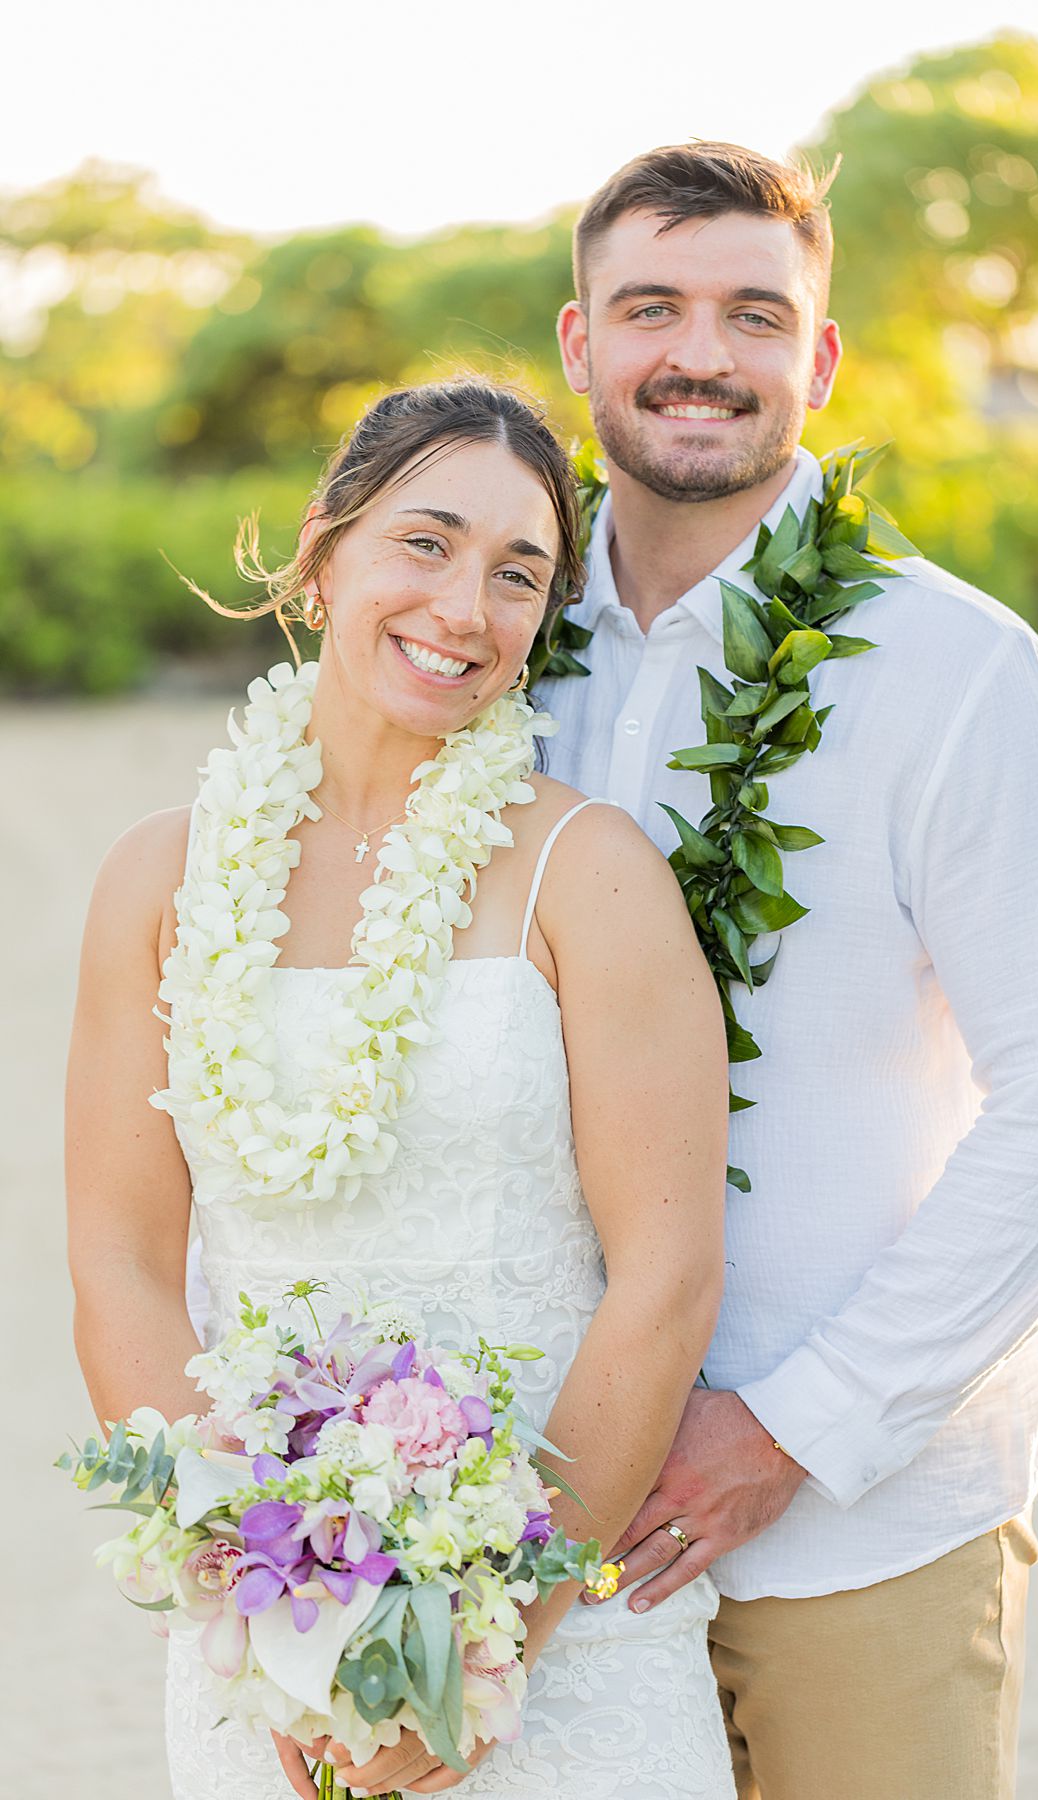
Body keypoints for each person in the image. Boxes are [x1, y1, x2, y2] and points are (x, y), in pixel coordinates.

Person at [538, 141, 1038, 1800]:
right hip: (538, 1515)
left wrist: (799, 1428)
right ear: (577, 344)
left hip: (861, 1525)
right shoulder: (489, 655)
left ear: (817, 361)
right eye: (651, 305)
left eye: (757, 314)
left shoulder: (953, 669)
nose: (700, 353)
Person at [65, 379, 737, 1799]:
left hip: (558, 1624)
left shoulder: (592, 873)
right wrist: (266, 1614)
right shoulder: (155, 881)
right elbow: (122, 1263)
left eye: (518, 576)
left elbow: (666, 1279)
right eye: (423, 544)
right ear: (321, 557)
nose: (464, 610)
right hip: (267, 1635)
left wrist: (485, 1648)